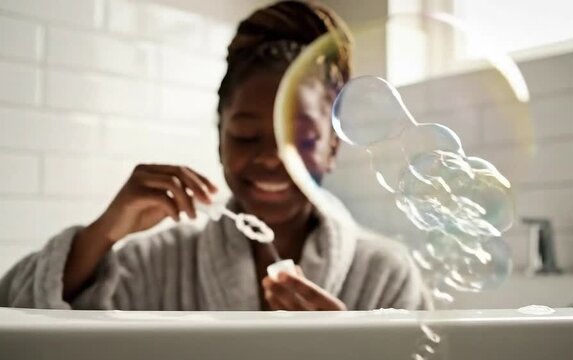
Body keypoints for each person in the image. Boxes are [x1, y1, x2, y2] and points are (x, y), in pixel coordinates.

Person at [0, 0, 429, 311]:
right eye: (245, 136)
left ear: (333, 146)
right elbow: (15, 315)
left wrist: (354, 349)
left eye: (299, 139)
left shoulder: (387, 275)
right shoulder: (158, 262)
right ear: (219, 137)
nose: (270, 159)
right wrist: (104, 231)